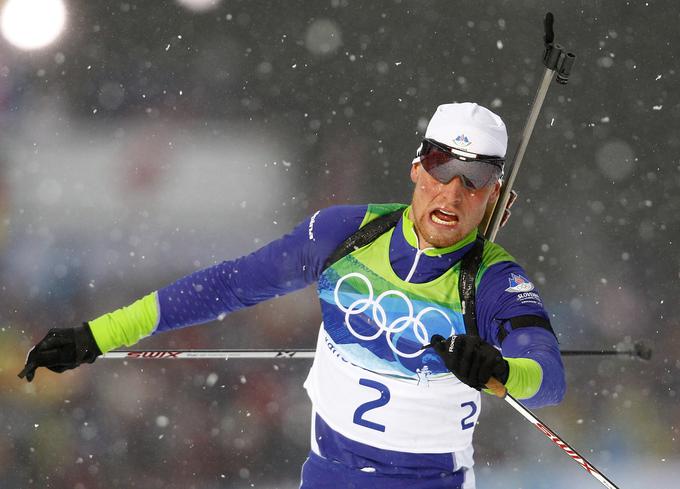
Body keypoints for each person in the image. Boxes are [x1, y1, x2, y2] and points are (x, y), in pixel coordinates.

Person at [19, 102, 565, 489]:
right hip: (327, 475)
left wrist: (499, 370)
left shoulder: (493, 280)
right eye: (442, 167)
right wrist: (97, 335)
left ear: (496, 198)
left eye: (473, 179)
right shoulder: (344, 235)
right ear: (416, 169)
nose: (452, 191)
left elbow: (547, 375)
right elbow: (227, 285)